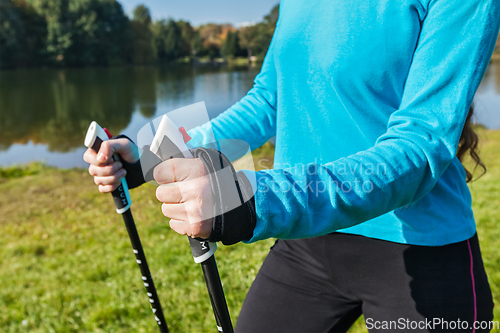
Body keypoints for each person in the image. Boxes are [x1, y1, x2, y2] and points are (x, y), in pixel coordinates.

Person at [84, 0, 500, 331]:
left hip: (422, 249)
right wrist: (150, 156)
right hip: (306, 247)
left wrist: (257, 200)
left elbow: (420, 143)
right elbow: (268, 100)